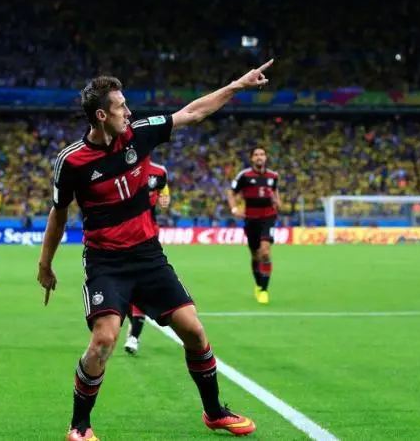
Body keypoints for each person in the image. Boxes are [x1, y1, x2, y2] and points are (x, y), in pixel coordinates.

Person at [37, 59, 274, 441]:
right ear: (101, 115)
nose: (129, 112)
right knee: (104, 340)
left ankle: (214, 413)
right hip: (106, 263)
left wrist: (238, 84)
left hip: (148, 258)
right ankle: (80, 427)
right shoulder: (72, 162)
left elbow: (193, 112)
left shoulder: (140, 134)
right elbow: (58, 214)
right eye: (120, 107)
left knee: (194, 332)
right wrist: (44, 264)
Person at [123, 160, 171, 355]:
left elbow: (164, 193)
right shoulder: (118, 166)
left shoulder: (159, 172)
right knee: (124, 289)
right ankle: (133, 322)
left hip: (147, 236)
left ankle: (134, 335)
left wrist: (164, 199)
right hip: (119, 236)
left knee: (138, 285)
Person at [227, 147, 280, 304]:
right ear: (251, 158)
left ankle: (264, 290)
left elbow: (277, 196)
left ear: (266, 157)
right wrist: (234, 208)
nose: (259, 157)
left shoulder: (273, 176)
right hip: (251, 219)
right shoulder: (244, 176)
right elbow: (231, 192)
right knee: (255, 255)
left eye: (262, 154)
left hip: (268, 217)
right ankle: (258, 284)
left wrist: (278, 202)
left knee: (264, 252)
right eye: (256, 155)